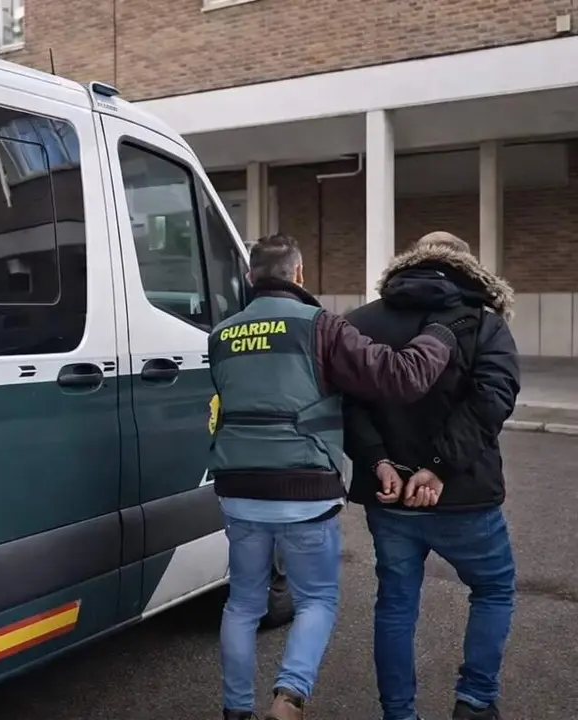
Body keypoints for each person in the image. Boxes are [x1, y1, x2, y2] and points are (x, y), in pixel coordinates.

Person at [209, 233, 461, 720]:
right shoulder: (319, 326)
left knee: (241, 604)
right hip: (305, 489)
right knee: (317, 600)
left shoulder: (221, 334)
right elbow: (400, 376)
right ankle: (289, 696)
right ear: (299, 275)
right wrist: (442, 335)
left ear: (249, 278)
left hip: (238, 490)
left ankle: (236, 710)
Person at [343, 231, 520, 720]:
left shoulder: (361, 322)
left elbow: (347, 405)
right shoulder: (483, 323)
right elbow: (491, 402)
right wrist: (438, 469)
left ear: (410, 263)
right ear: (467, 269)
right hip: (465, 496)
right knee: (494, 588)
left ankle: (399, 714)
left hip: (389, 495)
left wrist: (378, 460)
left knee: (396, 604)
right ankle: (475, 702)